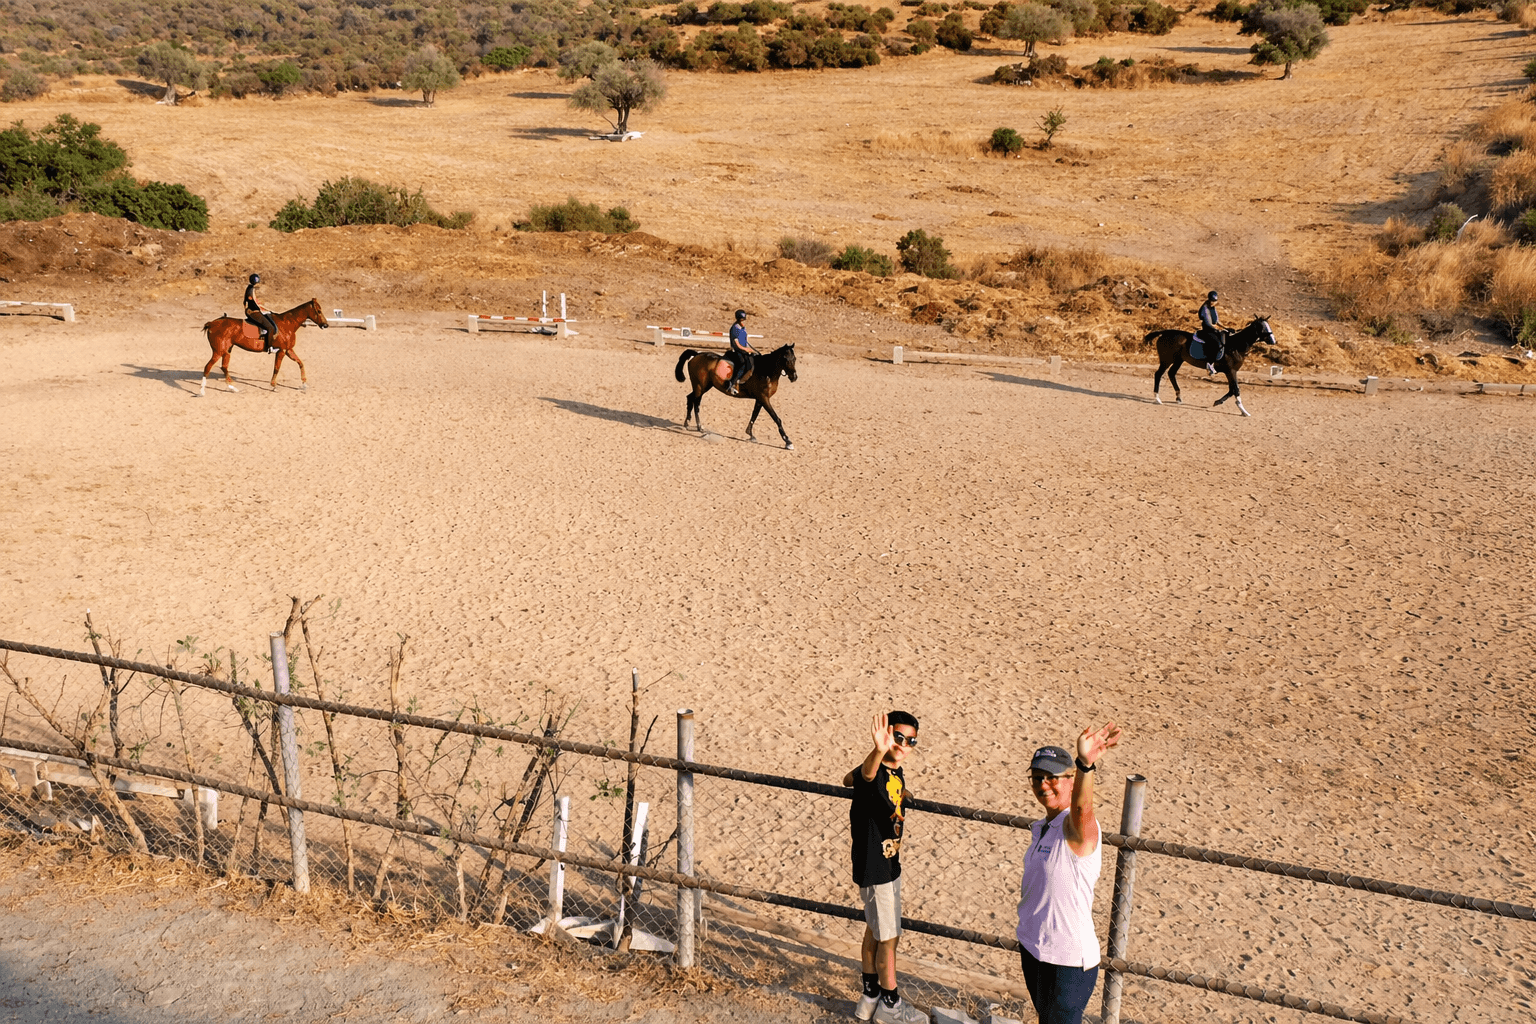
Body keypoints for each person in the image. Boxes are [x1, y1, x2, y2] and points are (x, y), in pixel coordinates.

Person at [1015, 722, 1123, 1024]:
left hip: (1069, 962)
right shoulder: (1041, 827)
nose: (1043, 785)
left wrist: (1086, 764)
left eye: (1052, 778)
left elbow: (1081, 808)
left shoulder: (1078, 828)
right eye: (1037, 778)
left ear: (1071, 779)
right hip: (1035, 949)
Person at [842, 711, 926, 1024]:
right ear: (887, 735)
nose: (903, 744)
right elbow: (863, 777)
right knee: (889, 938)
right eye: (898, 737)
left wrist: (902, 793)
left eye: (911, 740)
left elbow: (847, 779)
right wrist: (878, 749)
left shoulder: (894, 771)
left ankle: (870, 996)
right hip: (877, 867)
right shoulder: (876, 770)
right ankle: (891, 1005)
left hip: (888, 864)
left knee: (876, 932)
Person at [245, 273, 279, 354]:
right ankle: (269, 347)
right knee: (270, 328)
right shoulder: (251, 290)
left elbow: (255, 302)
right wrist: (264, 310)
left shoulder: (250, 288)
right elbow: (255, 303)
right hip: (253, 312)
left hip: (251, 310)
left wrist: (266, 309)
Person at [725, 308, 755, 396]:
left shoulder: (743, 328)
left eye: (744, 320)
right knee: (742, 363)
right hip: (737, 350)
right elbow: (736, 343)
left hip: (744, 349)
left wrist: (750, 349)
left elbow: (745, 341)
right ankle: (732, 383)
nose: (743, 321)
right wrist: (746, 349)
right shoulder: (735, 328)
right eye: (741, 320)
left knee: (752, 361)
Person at [1197, 290, 1224, 374]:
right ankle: (1210, 363)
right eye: (1211, 301)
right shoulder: (1205, 308)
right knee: (1216, 343)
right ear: (1209, 300)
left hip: (1213, 329)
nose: (1213, 302)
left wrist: (1226, 328)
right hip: (1207, 330)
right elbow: (1208, 323)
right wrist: (1216, 328)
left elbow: (1217, 321)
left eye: (1214, 301)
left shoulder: (1213, 308)